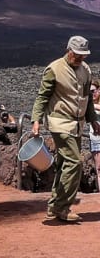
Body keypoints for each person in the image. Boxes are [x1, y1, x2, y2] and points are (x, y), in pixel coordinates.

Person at [31, 35, 100, 224]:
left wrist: (93, 120)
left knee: (64, 165)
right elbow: (42, 97)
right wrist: (36, 120)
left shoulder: (85, 70)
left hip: (77, 124)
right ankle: (62, 208)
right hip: (60, 123)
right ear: (69, 50)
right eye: (77, 55)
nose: (80, 58)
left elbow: (86, 99)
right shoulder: (54, 69)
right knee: (74, 162)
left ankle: (54, 207)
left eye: (83, 55)